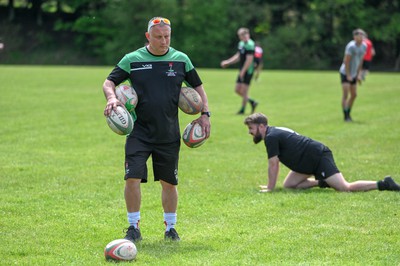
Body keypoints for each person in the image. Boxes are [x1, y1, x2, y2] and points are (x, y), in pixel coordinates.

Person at [102, 17, 211, 242]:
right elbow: (108, 82)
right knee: (132, 178)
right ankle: (133, 227)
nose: (163, 41)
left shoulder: (181, 60)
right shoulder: (132, 59)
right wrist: (112, 98)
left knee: (169, 183)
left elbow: (198, 86)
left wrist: (205, 114)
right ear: (148, 36)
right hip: (138, 133)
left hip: (168, 133)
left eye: (167, 37)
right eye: (159, 37)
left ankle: (170, 228)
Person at [244, 113, 400, 193]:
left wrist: (270, 188)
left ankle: (384, 184)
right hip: (306, 161)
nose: (250, 132)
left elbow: (273, 164)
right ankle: (323, 182)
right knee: (290, 185)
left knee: (344, 188)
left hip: (317, 157)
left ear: (262, 126)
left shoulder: (271, 137)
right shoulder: (274, 132)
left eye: (251, 128)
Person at [221, 27, 258, 115]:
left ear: (247, 34)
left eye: (244, 35)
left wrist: (243, 71)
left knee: (245, 91)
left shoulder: (250, 44)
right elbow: (238, 56)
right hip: (242, 70)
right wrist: (228, 62)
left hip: (248, 71)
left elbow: (249, 60)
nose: (242, 37)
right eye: (241, 35)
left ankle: (242, 110)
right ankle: (252, 101)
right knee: (237, 90)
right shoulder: (241, 44)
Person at [339, 29, 367, 122]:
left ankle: (348, 113)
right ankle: (346, 115)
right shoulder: (351, 46)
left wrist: (358, 75)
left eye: (362, 35)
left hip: (354, 73)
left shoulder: (364, 46)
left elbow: (360, 61)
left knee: (354, 95)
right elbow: (346, 61)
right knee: (346, 94)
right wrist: (348, 75)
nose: (361, 37)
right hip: (345, 72)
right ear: (354, 37)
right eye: (359, 35)